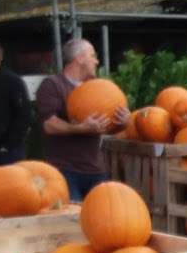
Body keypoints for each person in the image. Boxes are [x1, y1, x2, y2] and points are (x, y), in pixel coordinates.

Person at [35, 38, 130, 200]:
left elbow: (108, 125)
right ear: (79, 58)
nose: (97, 61)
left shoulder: (99, 88)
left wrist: (125, 122)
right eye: (93, 56)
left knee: (103, 218)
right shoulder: (53, 85)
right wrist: (81, 128)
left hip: (96, 169)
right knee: (71, 220)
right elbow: (49, 125)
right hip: (65, 170)